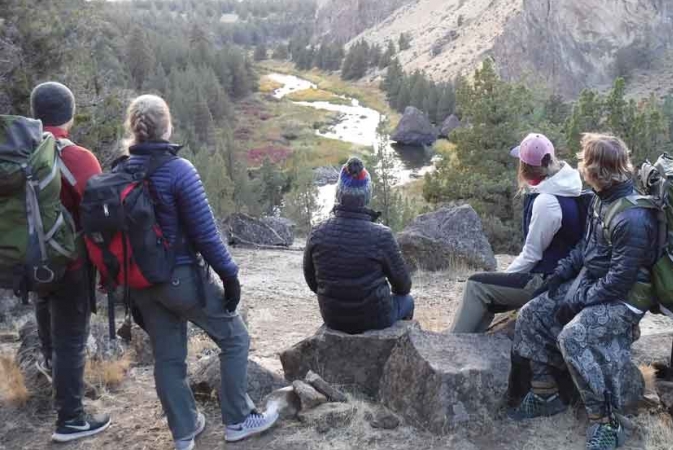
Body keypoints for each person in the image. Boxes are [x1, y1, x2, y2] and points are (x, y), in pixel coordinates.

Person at [122, 95, 278, 450]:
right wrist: (230, 276)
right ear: (167, 126)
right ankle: (238, 420)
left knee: (168, 357)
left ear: (134, 129)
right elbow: (206, 233)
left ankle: (184, 433)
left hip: (142, 285)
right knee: (235, 338)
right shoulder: (179, 170)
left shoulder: (118, 170)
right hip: (180, 279)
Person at [510, 133, 657, 450]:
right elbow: (585, 249)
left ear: (597, 170)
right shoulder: (600, 199)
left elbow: (621, 279)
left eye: (584, 161)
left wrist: (580, 299)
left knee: (573, 336)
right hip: (594, 284)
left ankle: (607, 421)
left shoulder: (631, 216)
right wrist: (561, 274)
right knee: (532, 314)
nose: (580, 166)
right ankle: (545, 392)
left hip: (626, 300)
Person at [28, 82, 110, 443]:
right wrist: (109, 267)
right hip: (71, 266)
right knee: (72, 340)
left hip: (30, 263)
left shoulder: (19, 151)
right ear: (70, 114)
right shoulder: (77, 157)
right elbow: (99, 220)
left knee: (47, 325)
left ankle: (59, 393)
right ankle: (71, 419)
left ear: (35, 113)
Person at [449, 133, 583, 333]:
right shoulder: (566, 183)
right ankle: (473, 344)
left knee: (476, 286)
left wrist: (503, 278)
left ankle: (453, 345)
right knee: (488, 286)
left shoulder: (547, 202)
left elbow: (532, 255)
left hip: (547, 281)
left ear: (526, 167)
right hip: (564, 277)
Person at [304, 157, 414, 334]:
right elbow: (403, 286)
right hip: (377, 318)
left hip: (333, 317)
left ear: (339, 193)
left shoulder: (317, 232)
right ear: (367, 195)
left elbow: (312, 282)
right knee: (408, 301)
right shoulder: (382, 235)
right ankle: (400, 348)